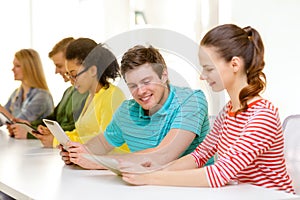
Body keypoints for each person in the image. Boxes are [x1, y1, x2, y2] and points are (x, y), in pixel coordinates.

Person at [121, 24, 295, 194]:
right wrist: (155, 170)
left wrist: (151, 178)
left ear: (235, 65)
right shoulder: (228, 112)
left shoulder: (262, 116)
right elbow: (199, 156)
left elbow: (219, 174)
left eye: (209, 69)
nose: (202, 76)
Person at [59, 45, 213, 170]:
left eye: (146, 82)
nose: (140, 92)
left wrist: (98, 162)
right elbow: (102, 143)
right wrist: (79, 154)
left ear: (164, 75)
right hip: (144, 189)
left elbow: (163, 156)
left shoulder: (192, 100)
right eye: (132, 85)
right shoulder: (127, 111)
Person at [33, 38, 128, 151]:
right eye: (68, 75)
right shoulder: (92, 96)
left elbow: (108, 142)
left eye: (74, 75)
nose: (71, 81)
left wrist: (56, 141)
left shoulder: (112, 96)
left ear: (93, 70)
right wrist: (59, 136)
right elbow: (81, 134)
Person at [11, 37, 89, 141]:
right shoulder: (69, 91)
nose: (56, 71)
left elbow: (76, 128)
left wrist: (31, 133)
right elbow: (53, 119)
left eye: (59, 65)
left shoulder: (88, 93)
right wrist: (30, 126)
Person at [0, 49, 54, 139]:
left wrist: (1, 110)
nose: (12, 69)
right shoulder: (16, 93)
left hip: (38, 148)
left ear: (29, 68)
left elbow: (20, 125)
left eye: (17, 66)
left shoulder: (42, 96)